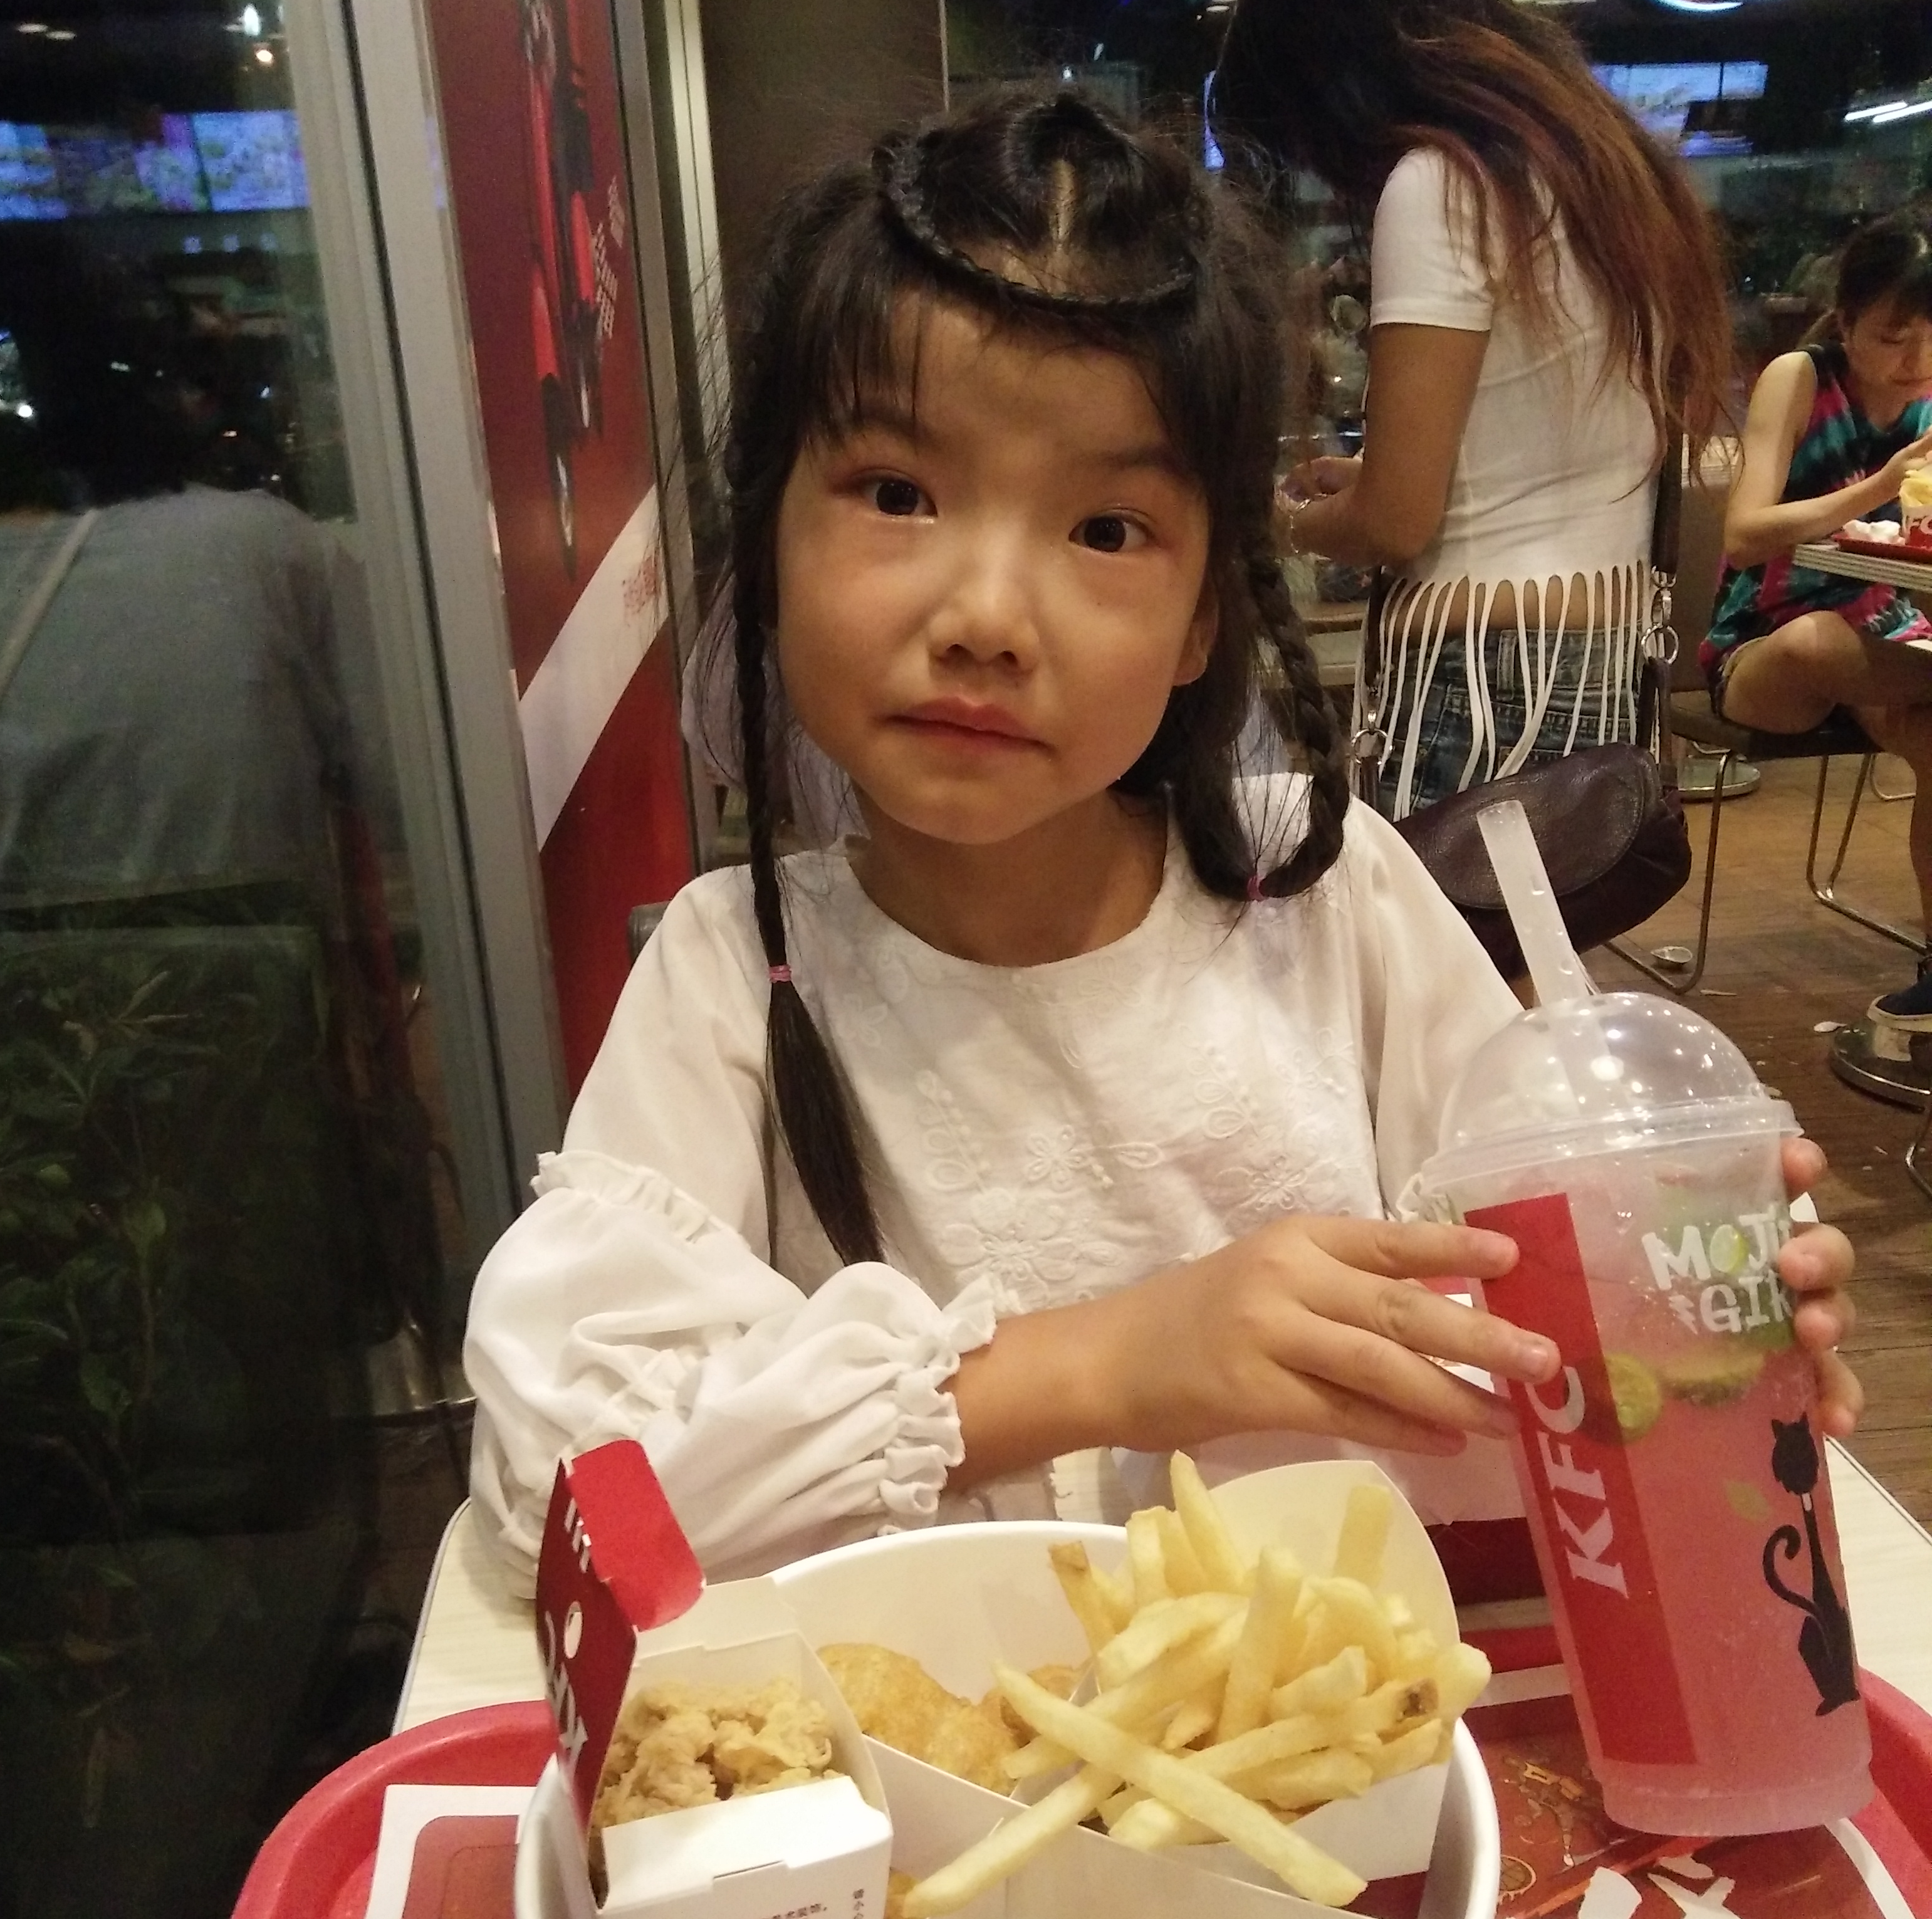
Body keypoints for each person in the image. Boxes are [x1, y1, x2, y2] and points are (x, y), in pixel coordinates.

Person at [462, 89, 1857, 1587]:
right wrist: (1105, 1362)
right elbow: (574, 1497)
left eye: (1106, 530)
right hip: (922, 1722)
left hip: (1362, 1699)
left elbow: (1520, 1298)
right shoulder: (734, 972)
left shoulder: (1324, 892)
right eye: (897, 494)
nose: (986, 618)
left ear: (1204, 618)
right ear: (769, 541)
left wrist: (1680, 1298)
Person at [1206, 0, 1731, 820]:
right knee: (1548, 916)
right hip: (1602, 657)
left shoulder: (1442, 184)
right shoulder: (1599, 169)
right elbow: (1550, 445)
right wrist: (1374, 480)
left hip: (1483, 675)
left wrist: (1280, 525)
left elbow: (1396, 523)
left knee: (1439, 919)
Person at [1706, 211, 1932, 1030]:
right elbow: (1744, 534)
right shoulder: (1799, 377)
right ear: (1846, 323)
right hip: (1764, 644)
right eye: (1895, 338)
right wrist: (1882, 486)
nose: (1918, 362)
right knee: (1816, 638)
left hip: (1885, 637)